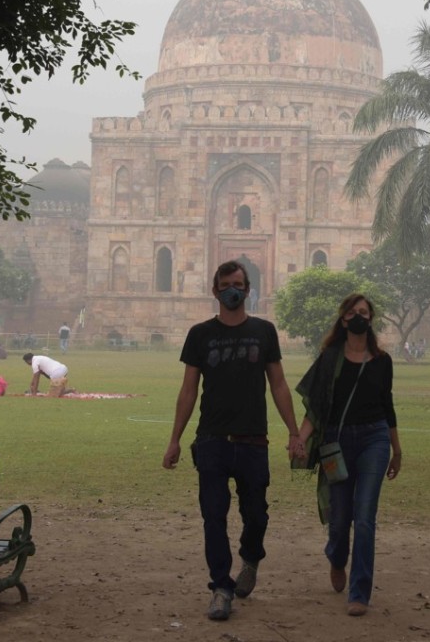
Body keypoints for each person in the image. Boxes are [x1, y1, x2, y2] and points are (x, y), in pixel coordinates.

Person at [162, 260, 304, 622]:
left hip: (253, 439)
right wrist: (175, 439)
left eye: (238, 283)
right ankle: (221, 586)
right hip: (212, 439)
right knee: (214, 516)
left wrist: (293, 432)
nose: (232, 289)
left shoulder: (264, 331)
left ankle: (251, 559)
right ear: (215, 290)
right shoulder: (200, 335)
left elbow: (279, 384)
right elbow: (188, 389)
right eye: (226, 284)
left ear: (248, 288)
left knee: (255, 515)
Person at [294, 293, 402, 617]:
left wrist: (397, 449)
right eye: (354, 312)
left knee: (365, 518)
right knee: (340, 519)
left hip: (374, 440)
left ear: (371, 318)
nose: (360, 316)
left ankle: (359, 593)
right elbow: (316, 406)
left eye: (365, 312)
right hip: (335, 443)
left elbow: (388, 407)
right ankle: (336, 556)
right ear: (343, 319)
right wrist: (300, 439)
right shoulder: (330, 358)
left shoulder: (382, 361)